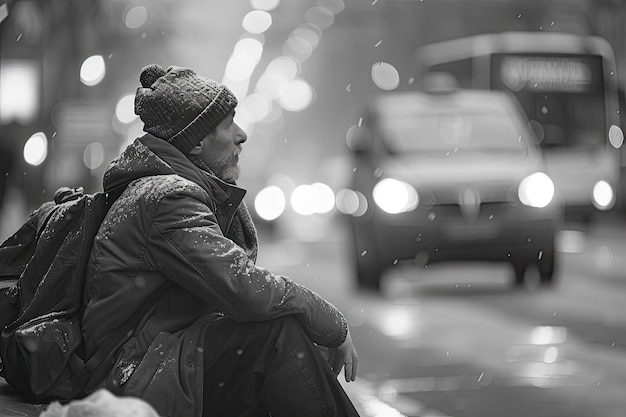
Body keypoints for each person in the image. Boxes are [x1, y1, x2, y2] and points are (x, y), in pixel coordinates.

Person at [81, 63, 361, 417]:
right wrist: (330, 324)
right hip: (132, 373)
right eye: (229, 123)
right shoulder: (167, 199)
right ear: (195, 141)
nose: (242, 135)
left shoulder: (168, 188)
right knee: (274, 337)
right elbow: (242, 288)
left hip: (153, 356)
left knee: (269, 339)